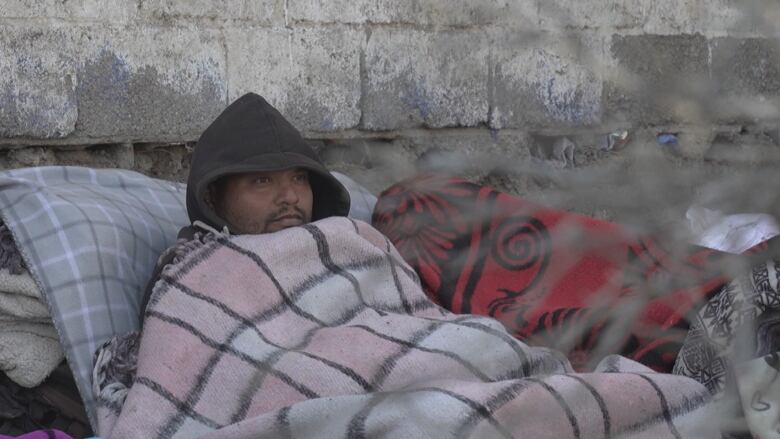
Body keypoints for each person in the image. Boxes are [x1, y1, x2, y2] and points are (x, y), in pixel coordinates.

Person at [138, 92, 350, 319]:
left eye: (299, 178)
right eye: (262, 181)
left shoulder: (342, 249)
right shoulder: (190, 274)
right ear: (212, 196)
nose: (290, 196)